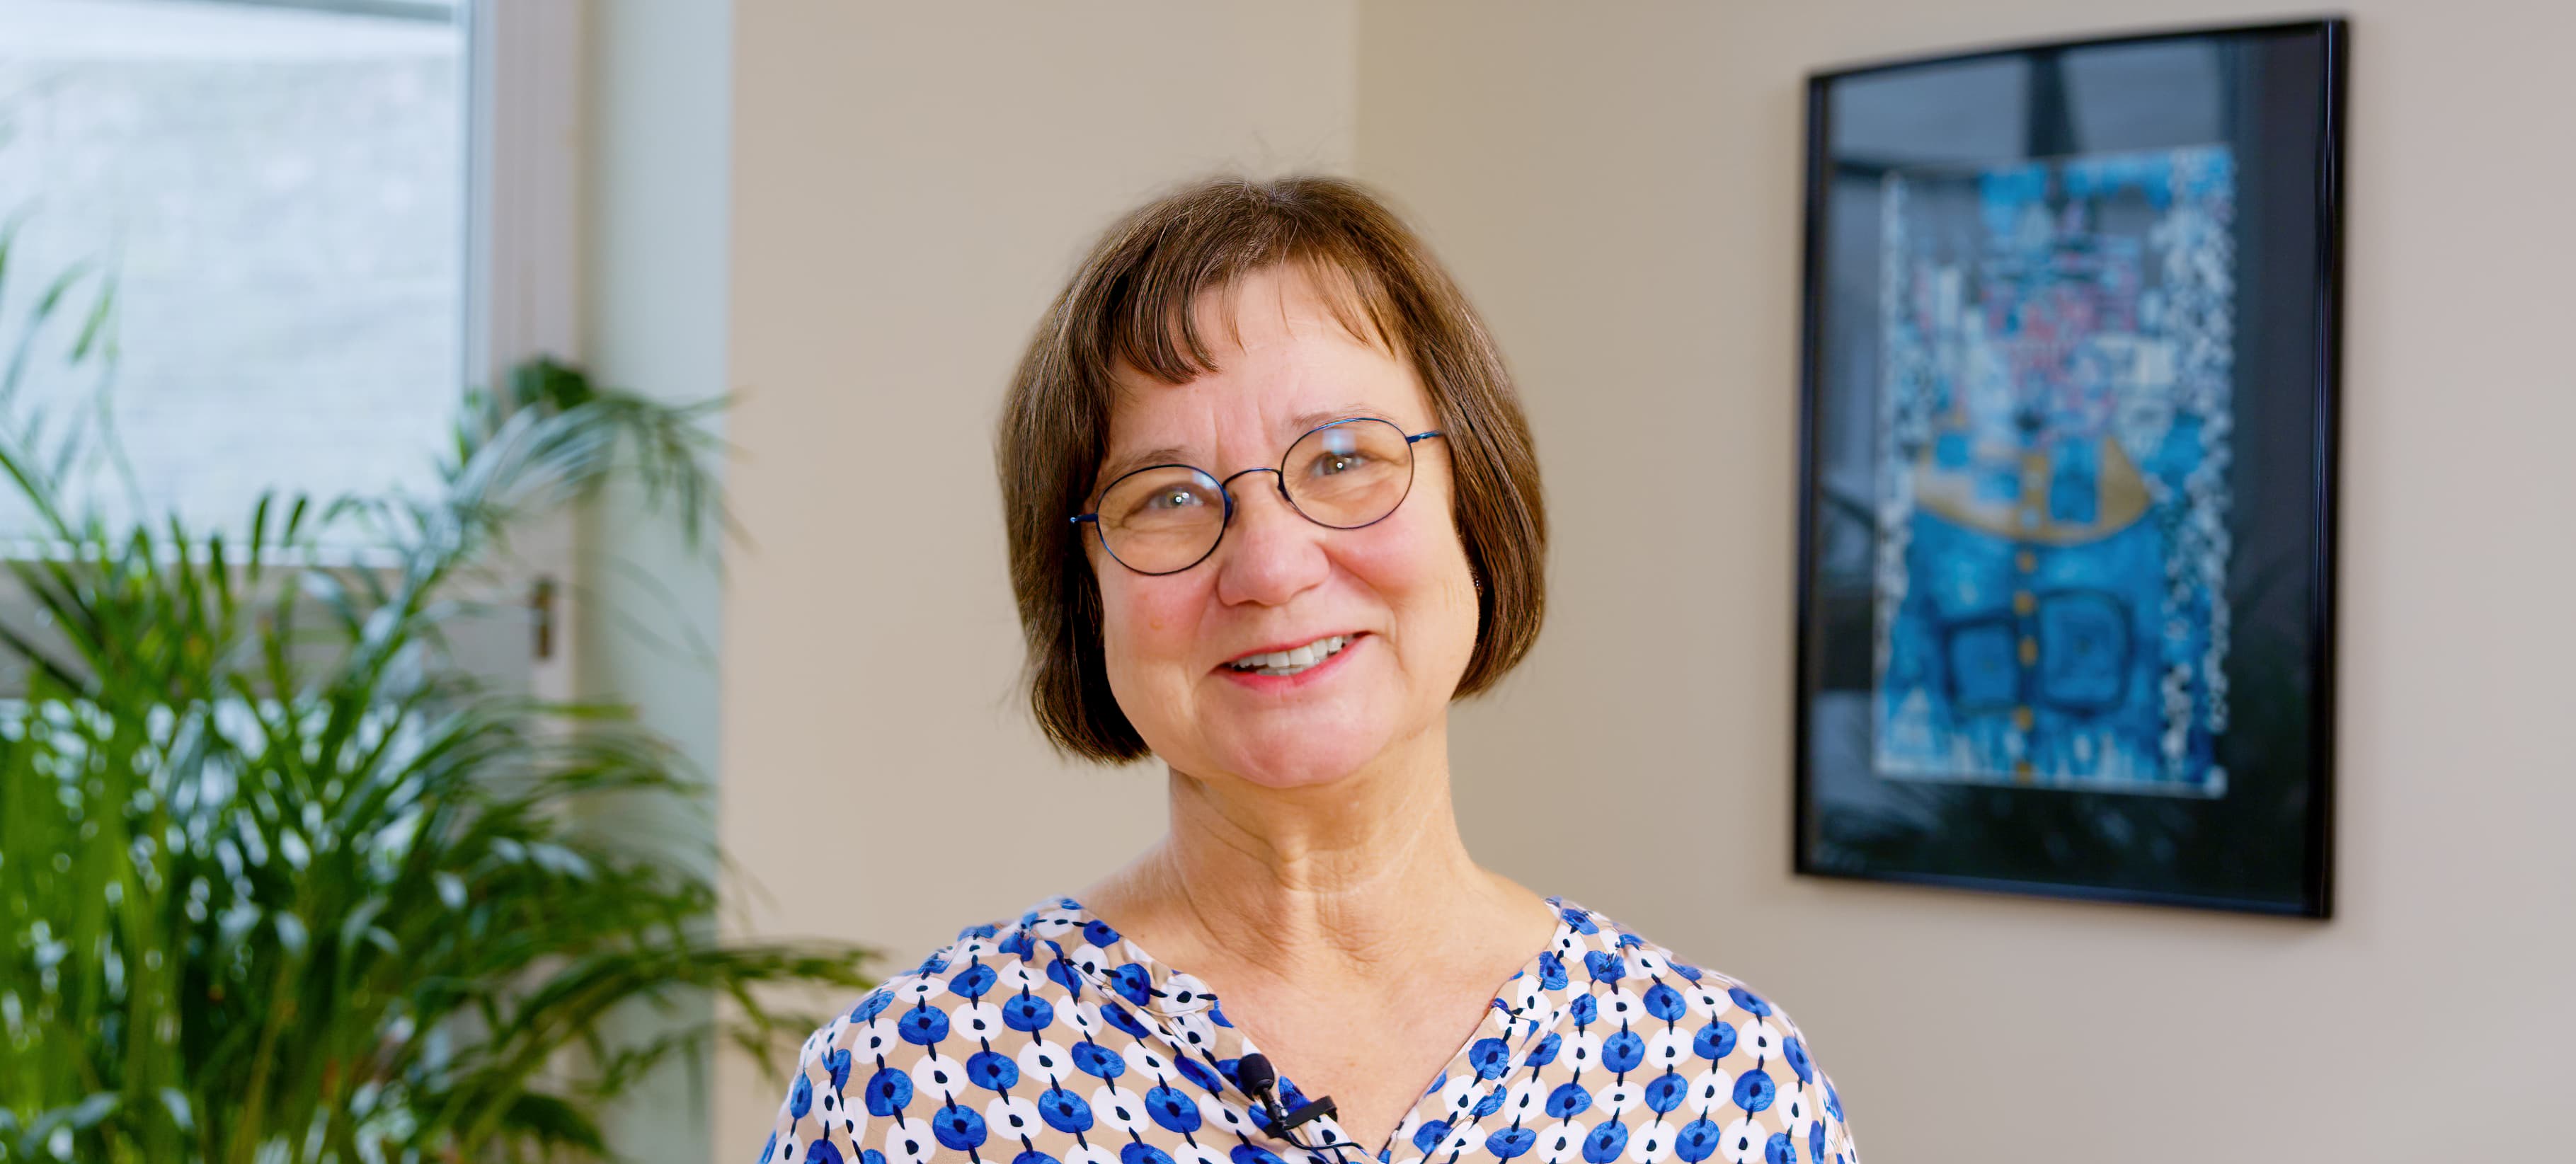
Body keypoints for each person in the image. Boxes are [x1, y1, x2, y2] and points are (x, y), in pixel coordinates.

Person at [754, 176, 1860, 1164]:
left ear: (1476, 509)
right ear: (1085, 591)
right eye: (1168, 496)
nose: (1272, 566)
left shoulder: (1731, 1092)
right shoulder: (903, 1094)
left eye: (1342, 460)